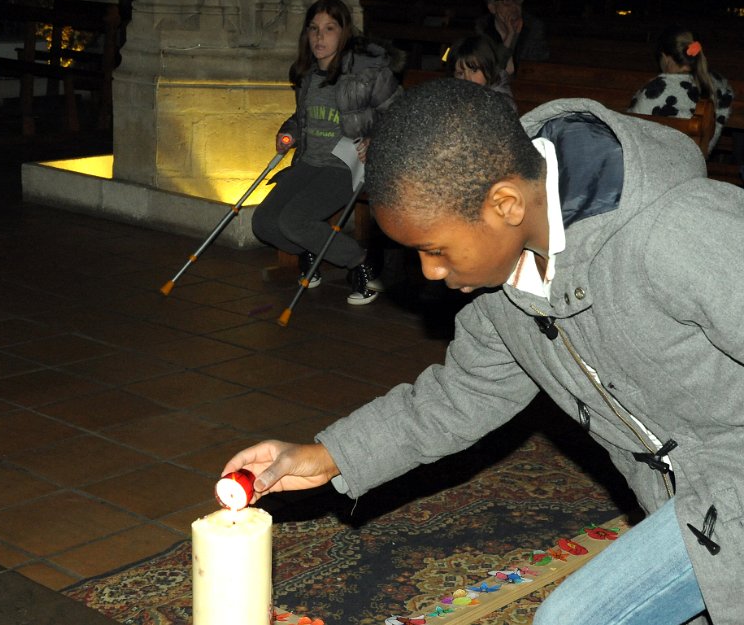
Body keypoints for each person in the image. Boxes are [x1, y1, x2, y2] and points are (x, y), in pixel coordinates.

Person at [224, 78, 744, 625]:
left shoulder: (678, 231)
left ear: (506, 204)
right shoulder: (504, 287)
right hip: (690, 504)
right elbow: (462, 396)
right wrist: (328, 456)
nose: (429, 272)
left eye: (435, 249)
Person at [251, 0, 401, 305]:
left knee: (294, 220)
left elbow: (400, 113)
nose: (320, 37)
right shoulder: (307, 75)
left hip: (345, 166)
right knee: (264, 222)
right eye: (314, 29)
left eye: (329, 28)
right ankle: (315, 251)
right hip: (308, 161)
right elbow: (302, 118)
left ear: (344, 32)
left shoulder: (367, 72)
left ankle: (360, 263)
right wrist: (289, 132)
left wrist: (375, 139)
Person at [628, 25, 735, 156]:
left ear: (665, 58)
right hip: (696, 161)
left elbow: (630, 131)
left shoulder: (656, 90)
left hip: (658, 161)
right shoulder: (718, 86)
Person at [475, 0, 549, 74]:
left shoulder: (533, 27)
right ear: (492, 8)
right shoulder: (483, 28)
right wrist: (510, 36)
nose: (514, 6)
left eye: (517, 0)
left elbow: (536, 68)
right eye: (506, 1)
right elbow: (490, 71)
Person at [447, 34, 517, 111]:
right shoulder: (451, 96)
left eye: (474, 70)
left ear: (488, 67)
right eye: (460, 73)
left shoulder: (500, 103)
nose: (467, 79)